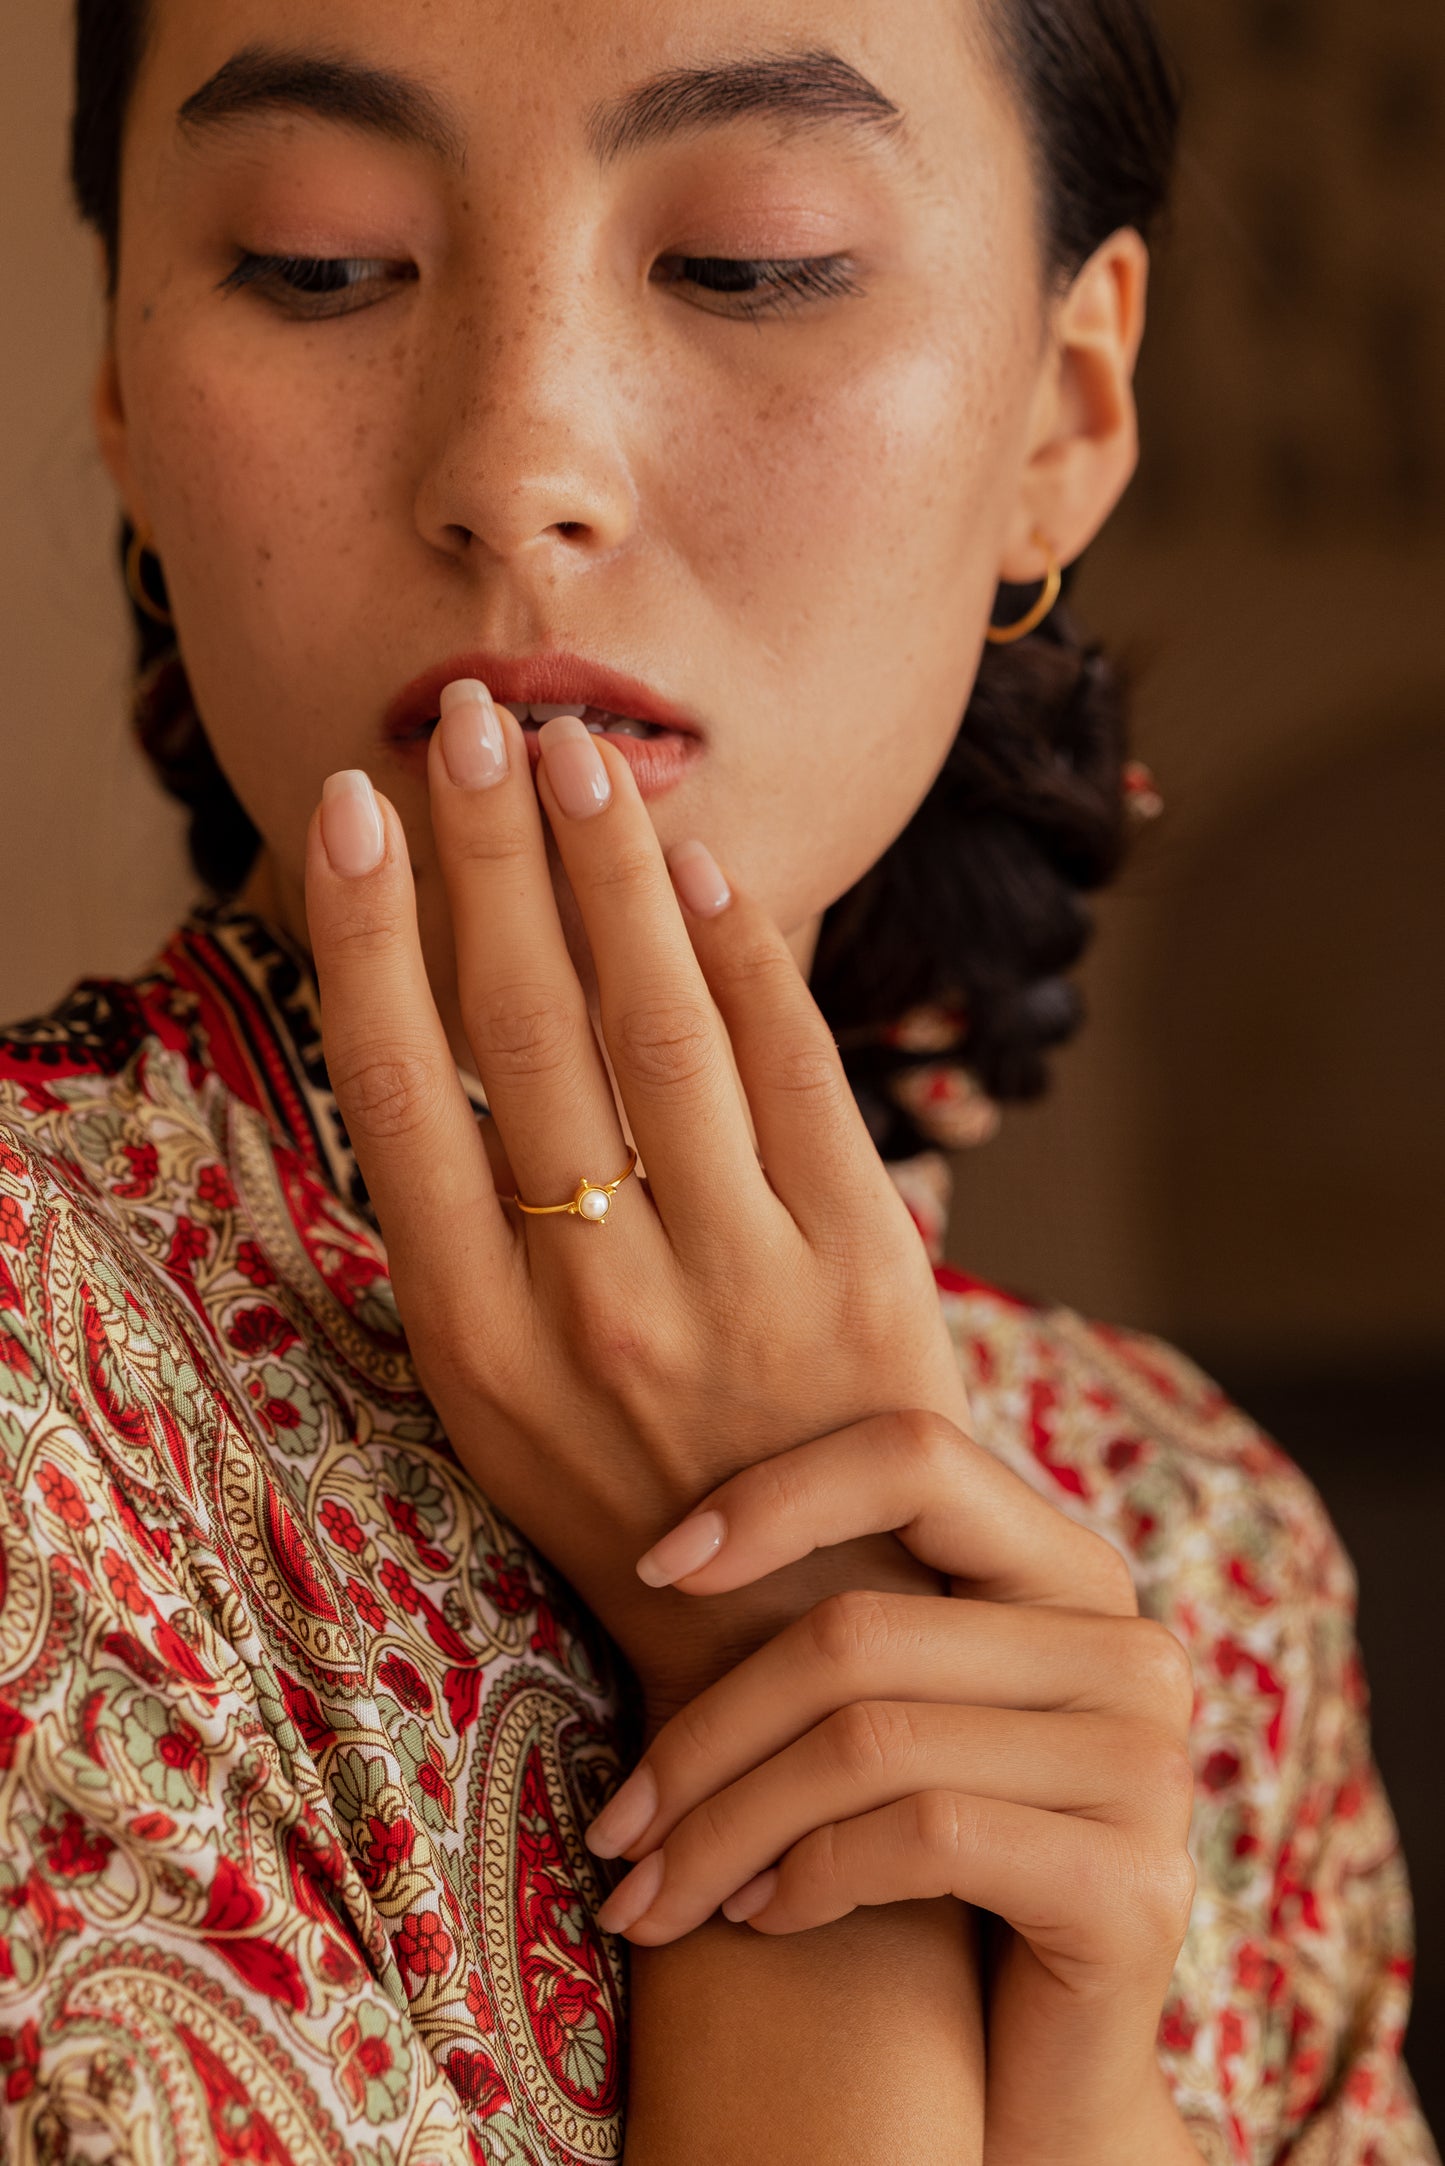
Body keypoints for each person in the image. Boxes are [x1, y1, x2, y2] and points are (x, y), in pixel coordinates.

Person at [0, 0, 1431, 2157]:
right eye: (319, 260)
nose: (517, 464)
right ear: (123, 382)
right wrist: (802, 1711)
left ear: (1067, 405)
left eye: (750, 262)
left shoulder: (1198, 1549)